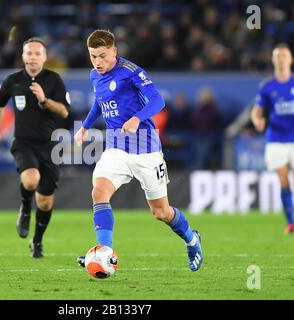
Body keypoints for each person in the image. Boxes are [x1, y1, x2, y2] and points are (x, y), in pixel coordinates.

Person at [74, 30, 203, 272]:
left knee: (161, 212)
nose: (98, 63)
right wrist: (85, 127)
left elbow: (157, 101)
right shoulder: (95, 75)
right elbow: (100, 102)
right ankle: (104, 252)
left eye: (102, 56)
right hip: (117, 148)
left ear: (114, 51)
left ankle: (192, 239)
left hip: (146, 148)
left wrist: (136, 118)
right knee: (99, 191)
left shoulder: (131, 72)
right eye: (93, 57)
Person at [0, 37, 70, 258]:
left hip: (50, 146)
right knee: (30, 179)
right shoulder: (13, 80)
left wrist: (44, 100)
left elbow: (64, 111)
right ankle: (25, 209)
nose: (32, 57)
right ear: (23, 56)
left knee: (45, 201)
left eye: (37, 53)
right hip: (23, 142)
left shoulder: (54, 80)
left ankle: (37, 241)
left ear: (44, 57)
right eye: (29, 53)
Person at [251, 43, 294, 234]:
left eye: (284, 56)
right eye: (277, 56)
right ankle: (291, 223)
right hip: (275, 138)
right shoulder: (267, 86)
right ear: (273, 60)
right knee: (283, 181)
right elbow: (256, 110)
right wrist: (257, 120)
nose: (281, 59)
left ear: (290, 60)